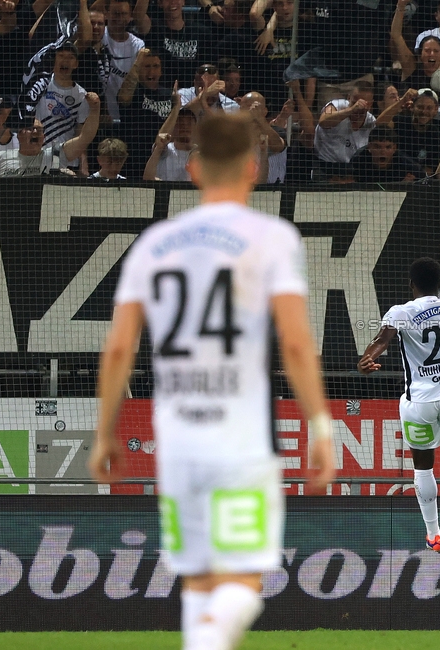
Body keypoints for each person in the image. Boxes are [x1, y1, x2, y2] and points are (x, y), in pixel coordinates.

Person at [89, 111, 335, 650]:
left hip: (176, 437)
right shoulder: (271, 238)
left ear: (195, 170)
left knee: (198, 581)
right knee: (244, 581)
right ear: (253, 169)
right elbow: (294, 343)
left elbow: (119, 348)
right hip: (241, 436)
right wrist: (320, 424)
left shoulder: (154, 244)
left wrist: (105, 430)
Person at [358, 184, 440, 556]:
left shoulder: (401, 312)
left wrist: (366, 357)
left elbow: (382, 340)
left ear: (411, 285)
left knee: (423, 467)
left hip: (418, 402)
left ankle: (433, 533)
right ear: (439, 283)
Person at [0, 93, 101, 177]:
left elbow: (85, 138)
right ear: (19, 135)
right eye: (31, 129)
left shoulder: (55, 155)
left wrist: (95, 109)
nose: (35, 132)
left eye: (39, 130)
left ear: (43, 138)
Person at [349, 129, 424, 184]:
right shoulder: (357, 161)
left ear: (394, 148)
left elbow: (425, 183)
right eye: (377, 147)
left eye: (388, 147)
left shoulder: (409, 166)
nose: (382, 151)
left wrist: (410, 185)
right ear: (369, 147)